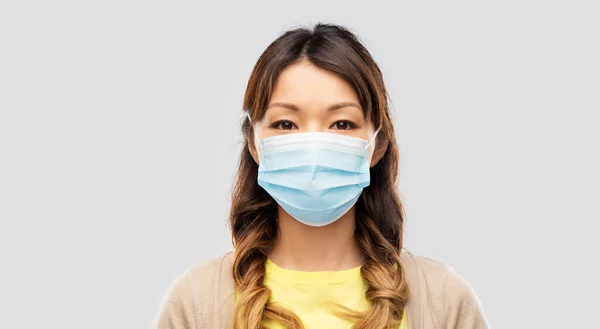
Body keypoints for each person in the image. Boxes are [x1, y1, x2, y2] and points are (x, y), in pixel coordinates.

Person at [152, 23, 489, 329]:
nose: (313, 145)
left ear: (377, 146)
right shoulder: (196, 303)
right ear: (254, 145)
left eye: (342, 124)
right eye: (285, 124)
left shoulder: (443, 301)